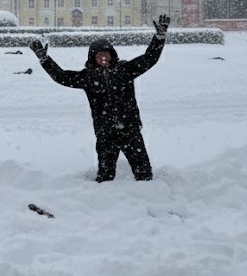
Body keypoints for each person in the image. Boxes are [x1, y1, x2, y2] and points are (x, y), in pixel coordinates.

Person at [28, 14, 170, 182]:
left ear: (111, 55)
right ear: (93, 57)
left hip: (130, 129)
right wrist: (45, 59)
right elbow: (62, 76)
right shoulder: (88, 77)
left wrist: (159, 38)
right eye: (99, 55)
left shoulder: (125, 70)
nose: (103, 57)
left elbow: (150, 58)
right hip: (105, 132)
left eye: (106, 54)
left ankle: (150, 194)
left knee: (143, 172)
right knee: (105, 176)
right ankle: (103, 197)